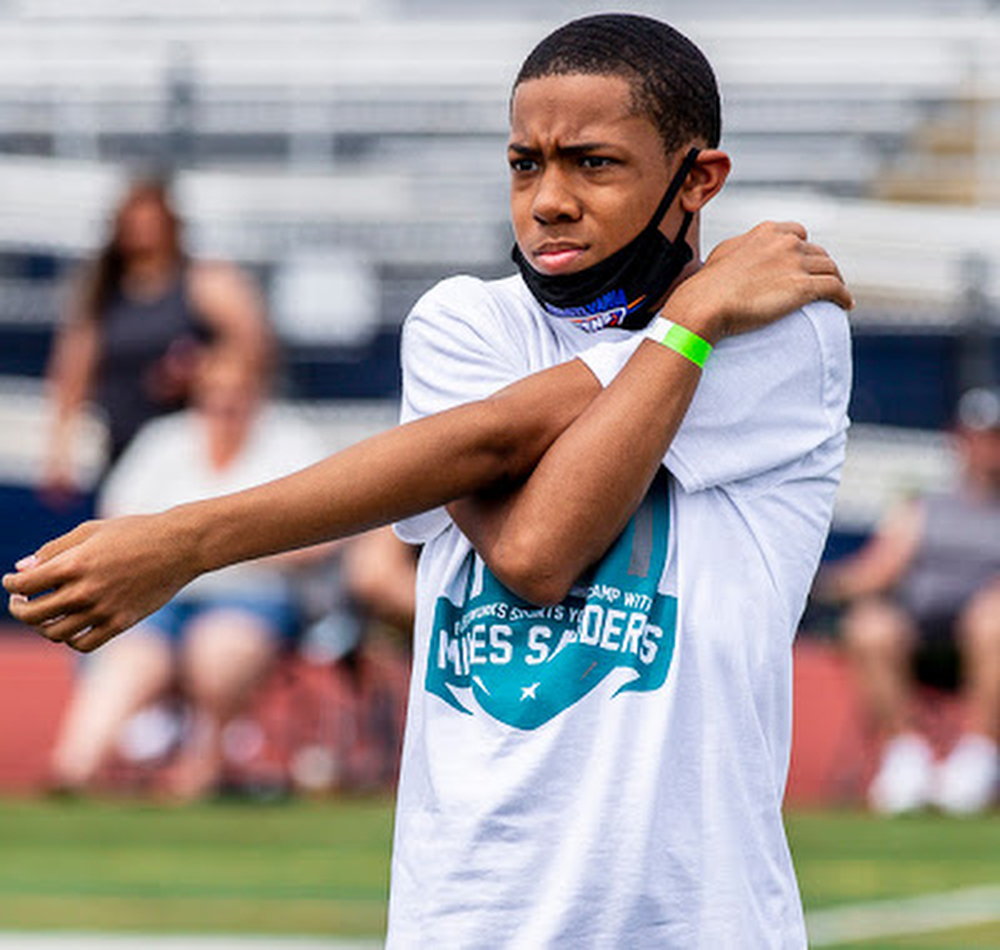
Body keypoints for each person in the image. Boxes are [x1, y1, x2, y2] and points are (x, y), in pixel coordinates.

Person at [6, 15, 853, 946]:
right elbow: (488, 449)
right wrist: (694, 315)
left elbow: (538, 553)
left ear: (699, 180)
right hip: (463, 918)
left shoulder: (782, 329)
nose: (549, 200)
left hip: (693, 924)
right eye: (526, 164)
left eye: (594, 164)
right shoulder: (464, 324)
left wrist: (189, 540)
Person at [47, 348, 329, 799]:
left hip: (253, 598)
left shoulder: (292, 443)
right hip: (160, 597)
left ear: (258, 394)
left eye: (236, 394)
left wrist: (214, 550)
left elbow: (325, 533)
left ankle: (203, 767)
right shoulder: (164, 442)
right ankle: (74, 769)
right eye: (215, 394)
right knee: (129, 659)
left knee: (218, 650)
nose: (225, 406)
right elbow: (118, 520)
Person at [815, 386, 1000, 815]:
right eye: (980, 436)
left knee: (994, 619)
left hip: (987, 640)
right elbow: (876, 570)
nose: (988, 448)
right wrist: (816, 584)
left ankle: (978, 757)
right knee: (870, 626)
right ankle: (906, 757)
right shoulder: (923, 507)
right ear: (961, 441)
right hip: (920, 639)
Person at [42, 178, 271, 500]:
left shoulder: (204, 281)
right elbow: (72, 373)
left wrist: (200, 370)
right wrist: (59, 450)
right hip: (124, 442)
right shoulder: (102, 292)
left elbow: (252, 348)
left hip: (190, 445)